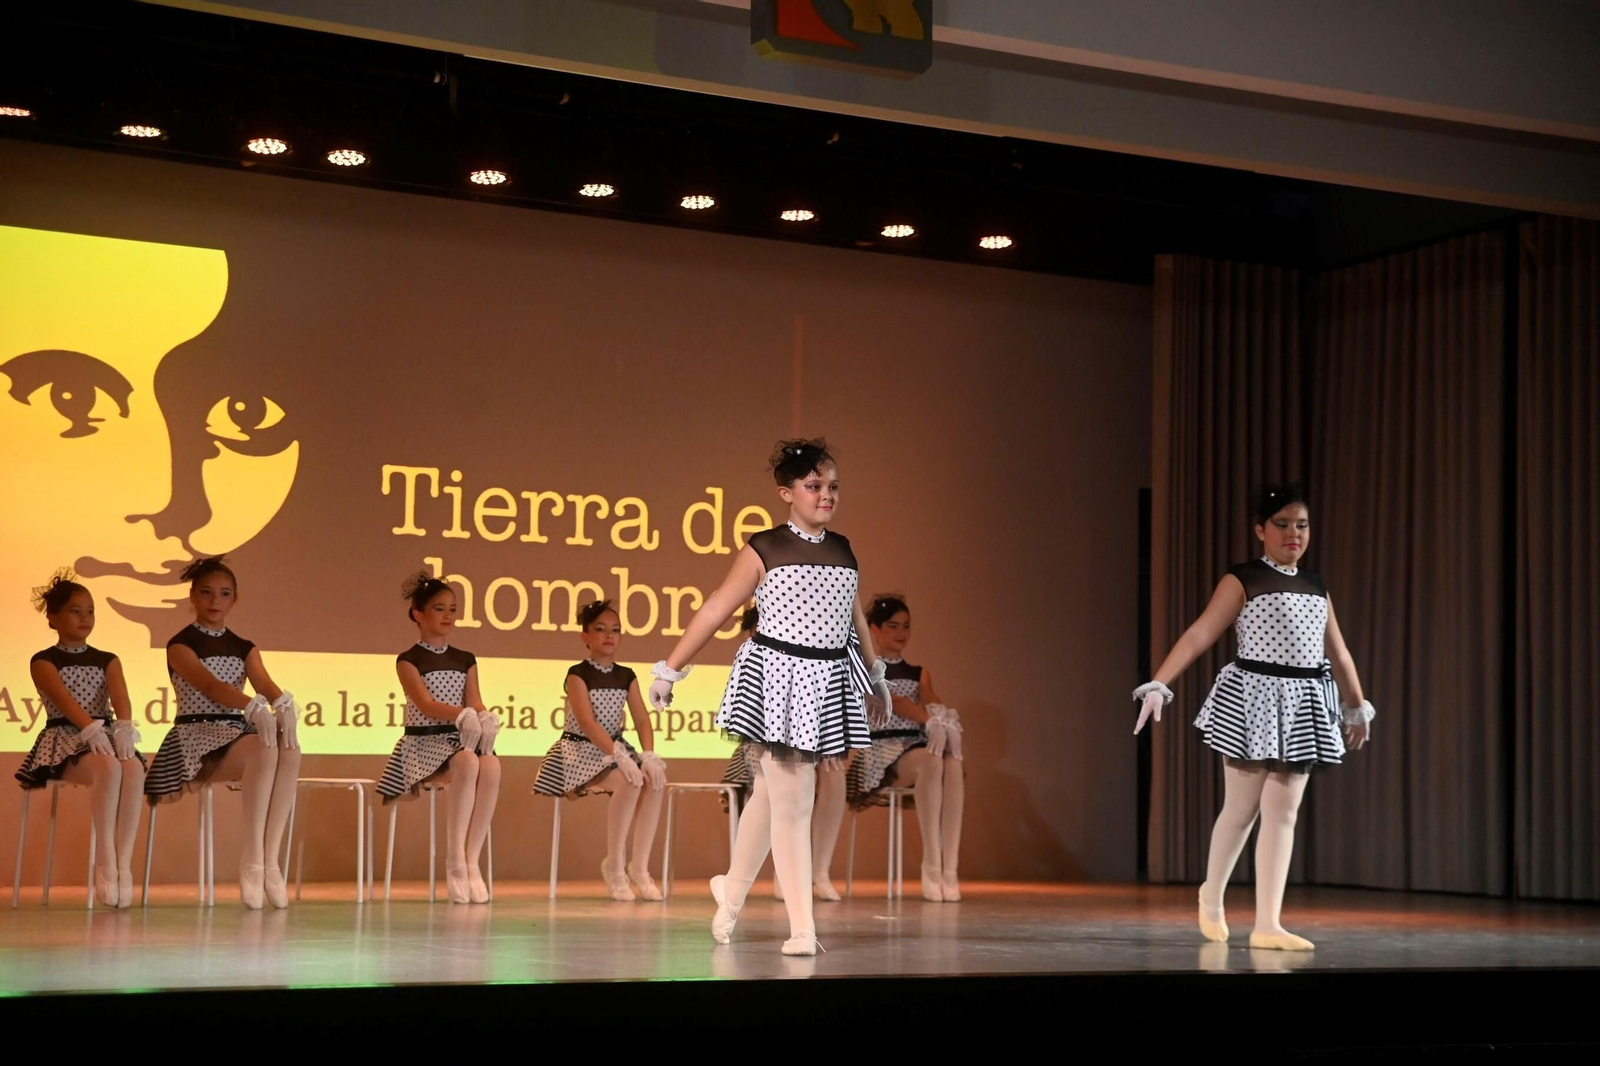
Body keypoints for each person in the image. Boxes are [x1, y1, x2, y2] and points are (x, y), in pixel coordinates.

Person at [649, 438, 890, 955]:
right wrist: (671, 667)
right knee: (795, 799)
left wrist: (874, 674)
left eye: (833, 486)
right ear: (787, 493)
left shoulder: (843, 548)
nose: (826, 495)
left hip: (824, 681)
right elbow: (716, 608)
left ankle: (732, 889)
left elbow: (853, 616)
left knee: (770, 795)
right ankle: (803, 928)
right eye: (813, 486)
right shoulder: (766, 548)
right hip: (777, 680)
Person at [1134, 485, 1375, 950]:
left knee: (1284, 813)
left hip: (1303, 703)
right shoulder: (1243, 579)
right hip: (1255, 699)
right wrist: (1160, 682)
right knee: (1242, 808)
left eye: (1301, 525)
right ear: (1261, 530)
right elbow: (1201, 632)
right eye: (1282, 524)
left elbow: (1339, 651)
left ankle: (1268, 924)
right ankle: (1212, 896)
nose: (1293, 533)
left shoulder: (1316, 585)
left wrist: (1355, 705)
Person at [145, 556, 302, 910]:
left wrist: (282, 703)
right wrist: (252, 705)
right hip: (196, 736)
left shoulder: (244, 646)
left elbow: (264, 683)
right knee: (264, 748)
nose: (215, 600)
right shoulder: (181, 644)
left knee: (290, 747)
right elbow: (210, 686)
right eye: (206, 592)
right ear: (192, 596)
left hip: (235, 732)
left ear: (235, 599)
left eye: (224, 593)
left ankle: (271, 861)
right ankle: (252, 858)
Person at [15, 570, 146, 907]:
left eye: (90, 611)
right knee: (109, 768)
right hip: (65, 736)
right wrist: (89, 728)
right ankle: (105, 860)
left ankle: (124, 864)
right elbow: (63, 701)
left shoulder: (107, 659)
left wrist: (123, 726)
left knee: (133, 769)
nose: (85, 618)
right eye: (75, 611)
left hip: (105, 733)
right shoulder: (43, 660)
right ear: (53, 618)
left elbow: (120, 696)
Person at [377, 572, 501, 903]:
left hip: (457, 740)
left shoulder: (465, 659)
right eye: (439, 608)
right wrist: (461, 714)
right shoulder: (409, 660)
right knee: (467, 761)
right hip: (423, 742)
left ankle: (472, 859)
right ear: (418, 614)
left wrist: (483, 715)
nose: (447, 616)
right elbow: (425, 704)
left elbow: (475, 700)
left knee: (490, 765)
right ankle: (455, 861)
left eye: (452, 609)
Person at [532, 599, 667, 901]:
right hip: (581, 750)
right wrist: (617, 755)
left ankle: (640, 867)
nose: (609, 635)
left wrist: (648, 754)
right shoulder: (578, 674)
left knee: (656, 781)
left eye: (615, 630)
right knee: (630, 781)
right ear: (586, 636)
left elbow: (642, 719)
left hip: (616, 748)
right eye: (601, 629)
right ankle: (615, 867)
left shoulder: (626, 675)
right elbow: (587, 722)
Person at [719, 605, 851, 903]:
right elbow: (750, 721)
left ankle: (820, 871)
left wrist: (826, 745)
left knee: (832, 772)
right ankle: (783, 876)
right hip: (758, 745)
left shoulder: (806, 657)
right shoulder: (753, 660)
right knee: (780, 777)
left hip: (806, 743)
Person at [848, 593, 965, 901]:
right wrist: (930, 720)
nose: (901, 633)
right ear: (875, 629)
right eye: (893, 626)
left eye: (906, 626)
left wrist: (944, 718)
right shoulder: (866, 668)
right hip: (880, 753)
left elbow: (930, 697)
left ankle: (949, 868)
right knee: (932, 761)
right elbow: (896, 702)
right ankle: (931, 864)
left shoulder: (918, 672)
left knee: (952, 761)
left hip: (916, 747)